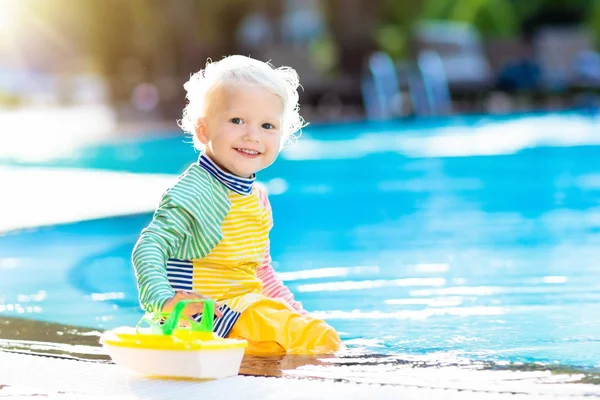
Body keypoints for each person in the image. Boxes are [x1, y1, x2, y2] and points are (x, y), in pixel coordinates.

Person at [132, 55, 343, 355]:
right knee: (319, 342)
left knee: (310, 332)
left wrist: (297, 312)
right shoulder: (195, 191)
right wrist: (164, 301)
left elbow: (261, 273)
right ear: (203, 130)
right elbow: (148, 247)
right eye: (236, 120)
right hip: (210, 320)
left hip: (246, 312)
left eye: (267, 125)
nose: (252, 135)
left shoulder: (257, 198)